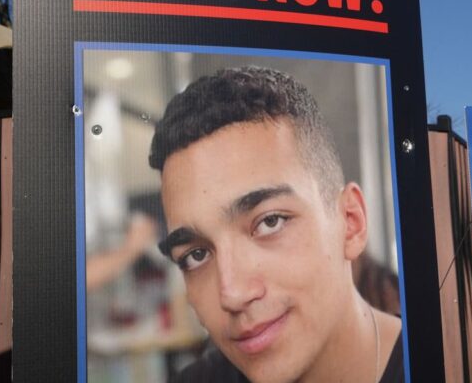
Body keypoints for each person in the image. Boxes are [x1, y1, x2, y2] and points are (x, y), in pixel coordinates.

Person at [148, 66, 403, 383]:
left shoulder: (453, 362)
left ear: (351, 222)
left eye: (269, 222)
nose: (232, 294)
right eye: (196, 255)